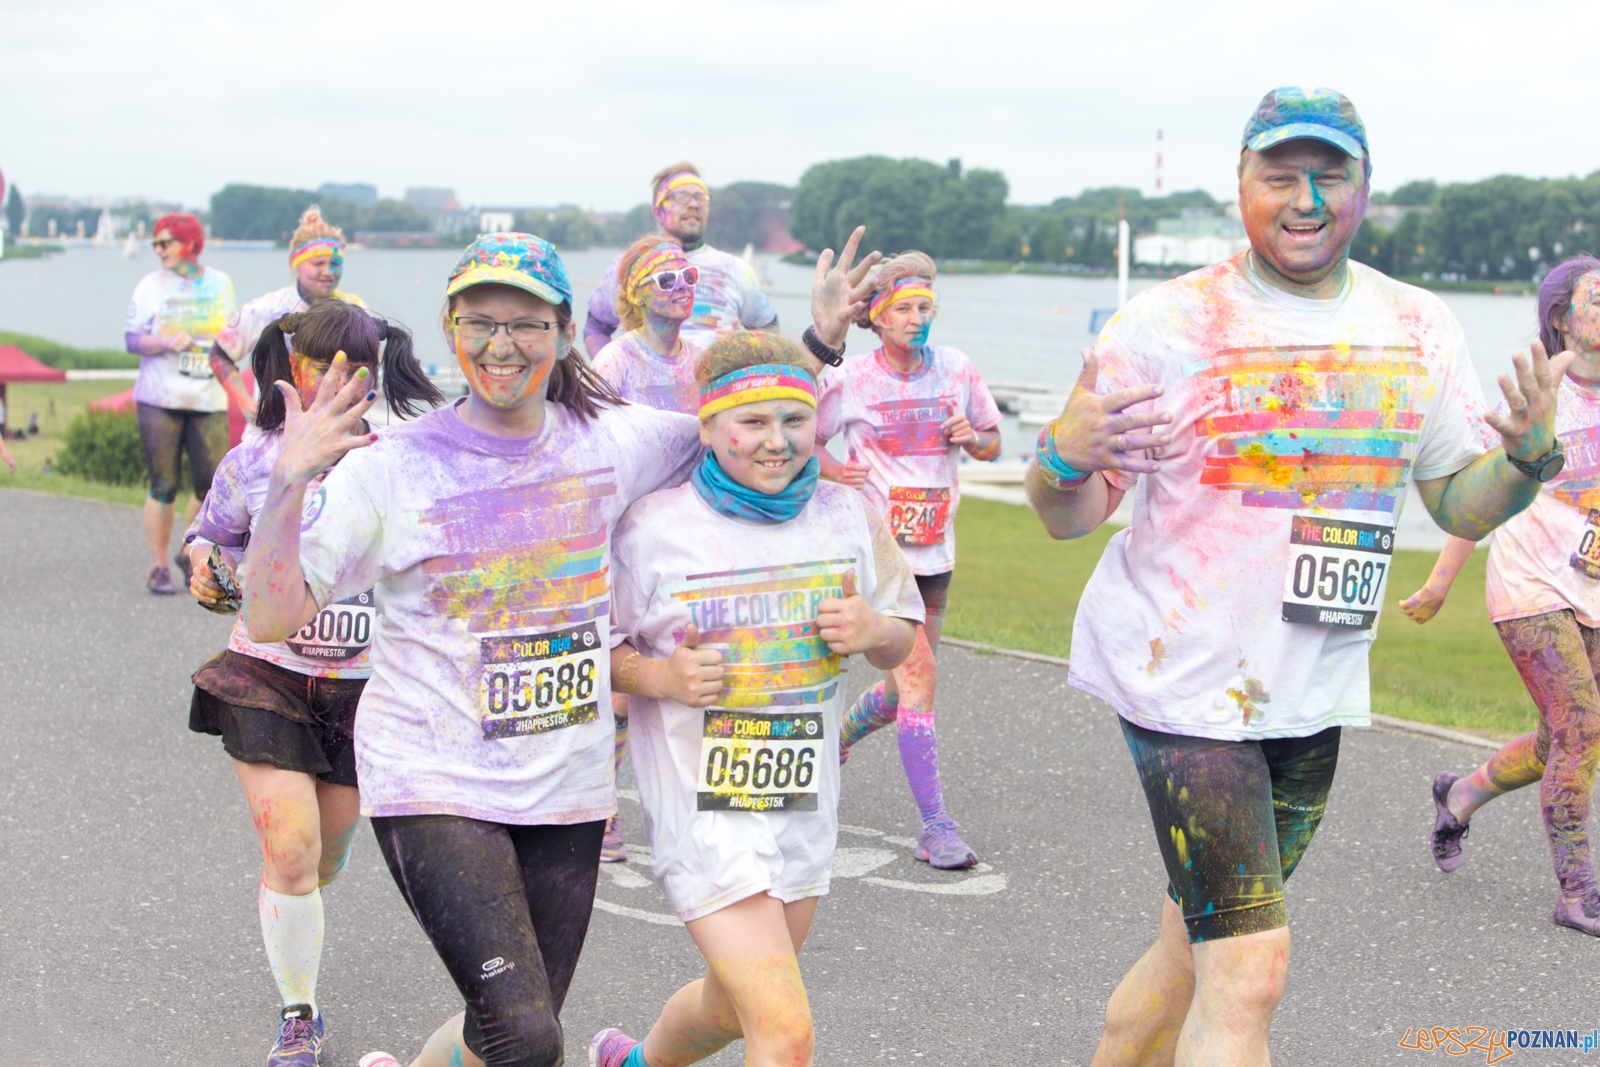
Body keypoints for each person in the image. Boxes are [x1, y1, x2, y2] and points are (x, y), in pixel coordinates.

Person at [1025, 87, 1569, 1067]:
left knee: (1195, 952)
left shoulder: (1417, 325)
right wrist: (1059, 456)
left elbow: (1453, 501)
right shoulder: (1166, 324)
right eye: (1280, 175)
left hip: (1308, 687)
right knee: (1252, 966)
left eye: (1331, 175)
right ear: (1240, 182)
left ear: (1366, 187)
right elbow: (1066, 515)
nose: (1306, 198)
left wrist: (1525, 463)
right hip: (1181, 680)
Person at [244, 228, 876, 1067]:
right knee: (528, 1037)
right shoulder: (393, 466)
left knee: (500, 1025)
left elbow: (748, 423)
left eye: (526, 323)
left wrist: (820, 345)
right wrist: (288, 481)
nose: (502, 344)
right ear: (450, 329)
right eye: (480, 322)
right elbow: (270, 614)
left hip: (568, 788)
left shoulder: (612, 440)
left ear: (566, 331)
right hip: (433, 778)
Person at [588, 331, 922, 1067]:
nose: (778, 442)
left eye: (795, 421)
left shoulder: (846, 514)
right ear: (706, 427)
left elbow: (901, 637)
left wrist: (873, 629)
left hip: (802, 802)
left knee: (730, 1008)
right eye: (753, 423)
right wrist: (660, 678)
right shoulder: (651, 529)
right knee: (785, 1029)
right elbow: (594, 651)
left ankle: (633, 1062)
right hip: (704, 813)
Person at [185, 300, 441, 1067]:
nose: (335, 380)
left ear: (374, 372)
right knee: (291, 852)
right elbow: (212, 534)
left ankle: (296, 913)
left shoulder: (402, 456)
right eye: (318, 365)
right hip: (268, 676)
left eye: (352, 367)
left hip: (367, 690)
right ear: (291, 370)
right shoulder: (255, 459)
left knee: (323, 860)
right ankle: (299, 1015)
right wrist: (204, 565)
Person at [1403, 254, 1600, 936]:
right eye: (1595, 299)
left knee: (1560, 742)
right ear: (1561, 316)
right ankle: (1577, 892)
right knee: (1583, 726)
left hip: (1592, 589)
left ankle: (1461, 792)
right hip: (1528, 586)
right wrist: (1439, 579)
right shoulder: (1536, 394)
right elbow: (1480, 493)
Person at [815, 251, 1001, 869]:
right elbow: (803, 441)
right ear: (878, 317)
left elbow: (994, 442)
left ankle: (837, 741)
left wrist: (972, 439)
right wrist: (840, 469)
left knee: (901, 690)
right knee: (920, 681)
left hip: (937, 548)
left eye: (927, 308)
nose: (918, 319)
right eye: (905, 309)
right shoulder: (852, 379)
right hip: (880, 554)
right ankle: (935, 826)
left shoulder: (957, 369)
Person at [589, 235, 705, 861]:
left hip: (689, 534)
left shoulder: (702, 357)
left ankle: (690, 804)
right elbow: (598, 448)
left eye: (687, 274)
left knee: (687, 664)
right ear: (635, 293)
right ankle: (601, 808)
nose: (683, 285)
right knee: (624, 681)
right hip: (626, 534)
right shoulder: (616, 361)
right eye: (665, 279)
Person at [124, 211, 237, 594]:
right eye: (155, 243)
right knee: (164, 483)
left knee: (210, 485)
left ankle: (187, 545)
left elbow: (232, 335)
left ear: (189, 243)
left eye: (165, 242)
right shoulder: (150, 285)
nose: (158, 250)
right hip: (160, 397)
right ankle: (158, 565)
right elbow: (131, 339)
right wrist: (164, 342)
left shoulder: (221, 283)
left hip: (208, 397)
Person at [211, 205, 368, 442]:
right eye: (318, 264)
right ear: (297, 264)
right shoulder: (266, 308)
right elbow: (219, 355)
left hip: (336, 432)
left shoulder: (355, 309)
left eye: (335, 263)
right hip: (272, 434)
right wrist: (245, 403)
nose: (329, 272)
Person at [584, 163, 776, 356]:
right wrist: (613, 375)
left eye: (701, 197)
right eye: (681, 196)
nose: (693, 204)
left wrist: (747, 345)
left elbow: (772, 334)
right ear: (658, 212)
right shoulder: (629, 268)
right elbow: (595, 329)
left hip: (714, 384)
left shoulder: (737, 270)